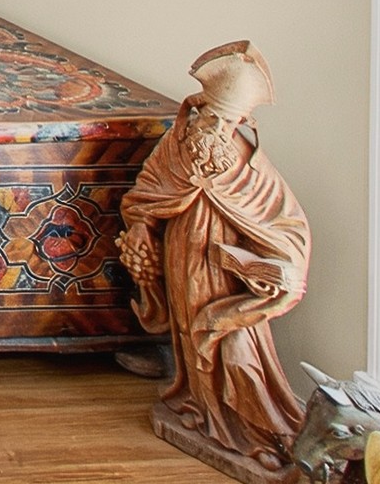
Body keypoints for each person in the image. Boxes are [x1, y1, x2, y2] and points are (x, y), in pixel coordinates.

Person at [119, 41, 309, 472]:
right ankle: (202, 413)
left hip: (228, 281)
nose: (218, 129)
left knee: (238, 355)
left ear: (244, 123)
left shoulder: (250, 171)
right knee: (188, 341)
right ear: (198, 108)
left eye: (229, 122)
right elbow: (146, 196)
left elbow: (286, 225)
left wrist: (273, 266)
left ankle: (257, 432)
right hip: (182, 259)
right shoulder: (176, 149)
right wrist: (142, 229)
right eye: (212, 117)